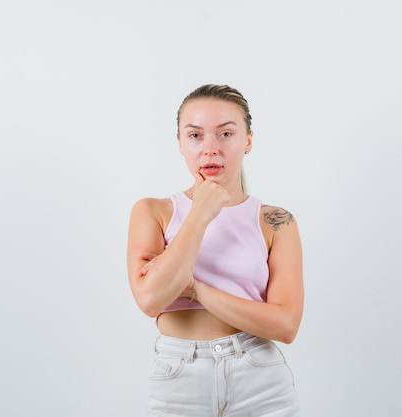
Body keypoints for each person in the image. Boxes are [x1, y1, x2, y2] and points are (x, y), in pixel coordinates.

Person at [127, 84, 304, 416]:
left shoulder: (275, 221)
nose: (210, 149)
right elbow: (150, 299)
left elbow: (285, 325)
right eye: (195, 136)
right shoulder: (153, 211)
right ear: (180, 143)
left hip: (260, 377)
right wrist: (200, 214)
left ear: (248, 141)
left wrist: (196, 290)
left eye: (225, 134)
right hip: (179, 377)